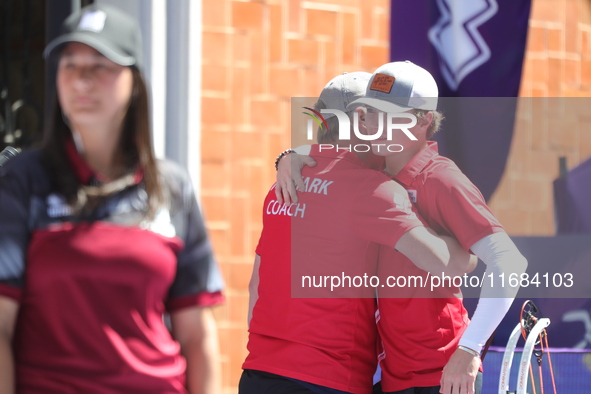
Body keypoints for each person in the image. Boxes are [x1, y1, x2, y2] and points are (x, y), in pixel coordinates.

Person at [0, 4, 223, 394]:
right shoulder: (24, 180)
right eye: (70, 64)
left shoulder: (171, 186)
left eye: (100, 64)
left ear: (134, 81)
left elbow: (197, 335)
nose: (81, 80)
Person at [276, 61, 528, 394]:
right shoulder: (373, 169)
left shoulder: (441, 179)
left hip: (442, 377)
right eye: (369, 113)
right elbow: (323, 155)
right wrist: (290, 155)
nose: (375, 125)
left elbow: (510, 263)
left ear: (424, 121)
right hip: (393, 377)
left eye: (389, 115)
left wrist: (468, 352)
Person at [241, 72, 477, 394]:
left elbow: (256, 287)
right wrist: (468, 254)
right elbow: (444, 263)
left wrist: (288, 156)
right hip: (327, 377)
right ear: (362, 124)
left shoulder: (280, 185)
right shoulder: (372, 190)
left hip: (259, 372)